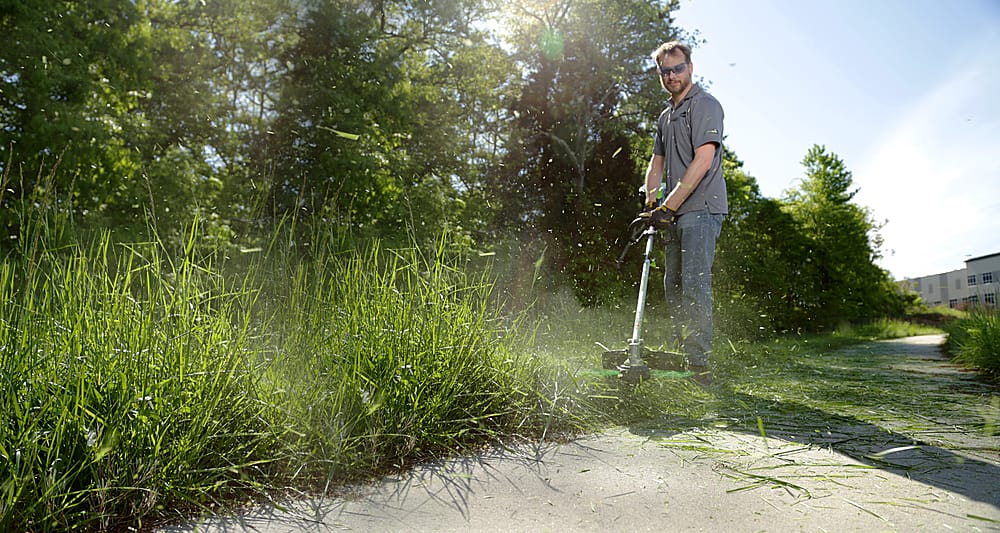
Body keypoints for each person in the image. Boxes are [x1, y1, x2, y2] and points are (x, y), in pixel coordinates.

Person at [643, 41, 727, 386]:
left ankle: (698, 365)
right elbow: (656, 163)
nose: (671, 76)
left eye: (677, 69)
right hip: (674, 212)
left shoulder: (705, 105)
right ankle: (682, 355)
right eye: (664, 71)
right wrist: (651, 203)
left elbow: (703, 160)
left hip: (702, 208)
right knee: (673, 286)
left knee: (694, 284)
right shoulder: (665, 116)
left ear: (690, 68)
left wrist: (669, 205)